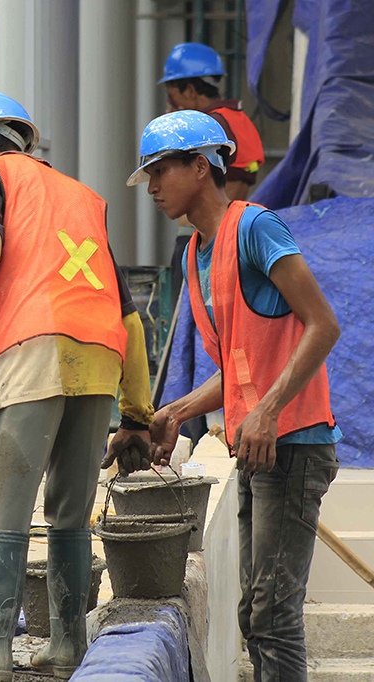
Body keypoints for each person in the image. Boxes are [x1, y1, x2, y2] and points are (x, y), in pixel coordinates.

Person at [0, 92, 155, 682]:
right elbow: (127, 313)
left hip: (34, 351)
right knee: (70, 514)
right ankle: (69, 645)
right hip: (99, 361)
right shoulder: (82, 198)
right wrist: (137, 413)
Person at [129, 110, 341, 682]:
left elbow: (322, 324)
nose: (150, 187)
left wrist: (268, 411)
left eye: (159, 171)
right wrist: (175, 411)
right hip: (257, 447)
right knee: (255, 613)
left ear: (201, 167)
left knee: (272, 615)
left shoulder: (256, 228)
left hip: (292, 444)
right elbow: (239, 364)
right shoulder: (196, 253)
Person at [159, 42, 265, 202]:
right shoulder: (236, 117)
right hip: (232, 219)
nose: (171, 103)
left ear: (189, 91)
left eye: (172, 95)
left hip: (210, 223)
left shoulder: (209, 127)